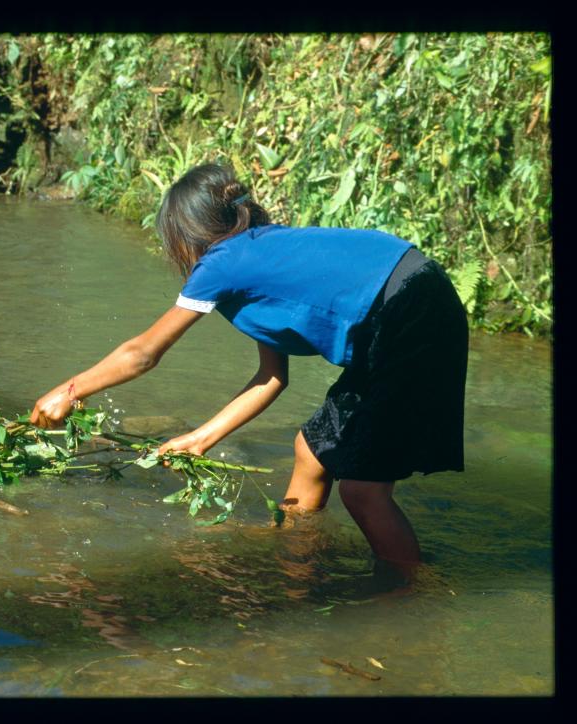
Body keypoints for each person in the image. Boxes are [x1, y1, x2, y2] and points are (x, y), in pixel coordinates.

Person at [29, 162, 467, 575]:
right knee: (312, 451)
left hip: (407, 307)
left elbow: (143, 353)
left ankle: (411, 596)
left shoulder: (222, 263)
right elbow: (271, 378)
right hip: (414, 299)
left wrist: (69, 392)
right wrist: (200, 438)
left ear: (187, 235)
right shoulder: (259, 259)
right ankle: (296, 557)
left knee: (363, 489)